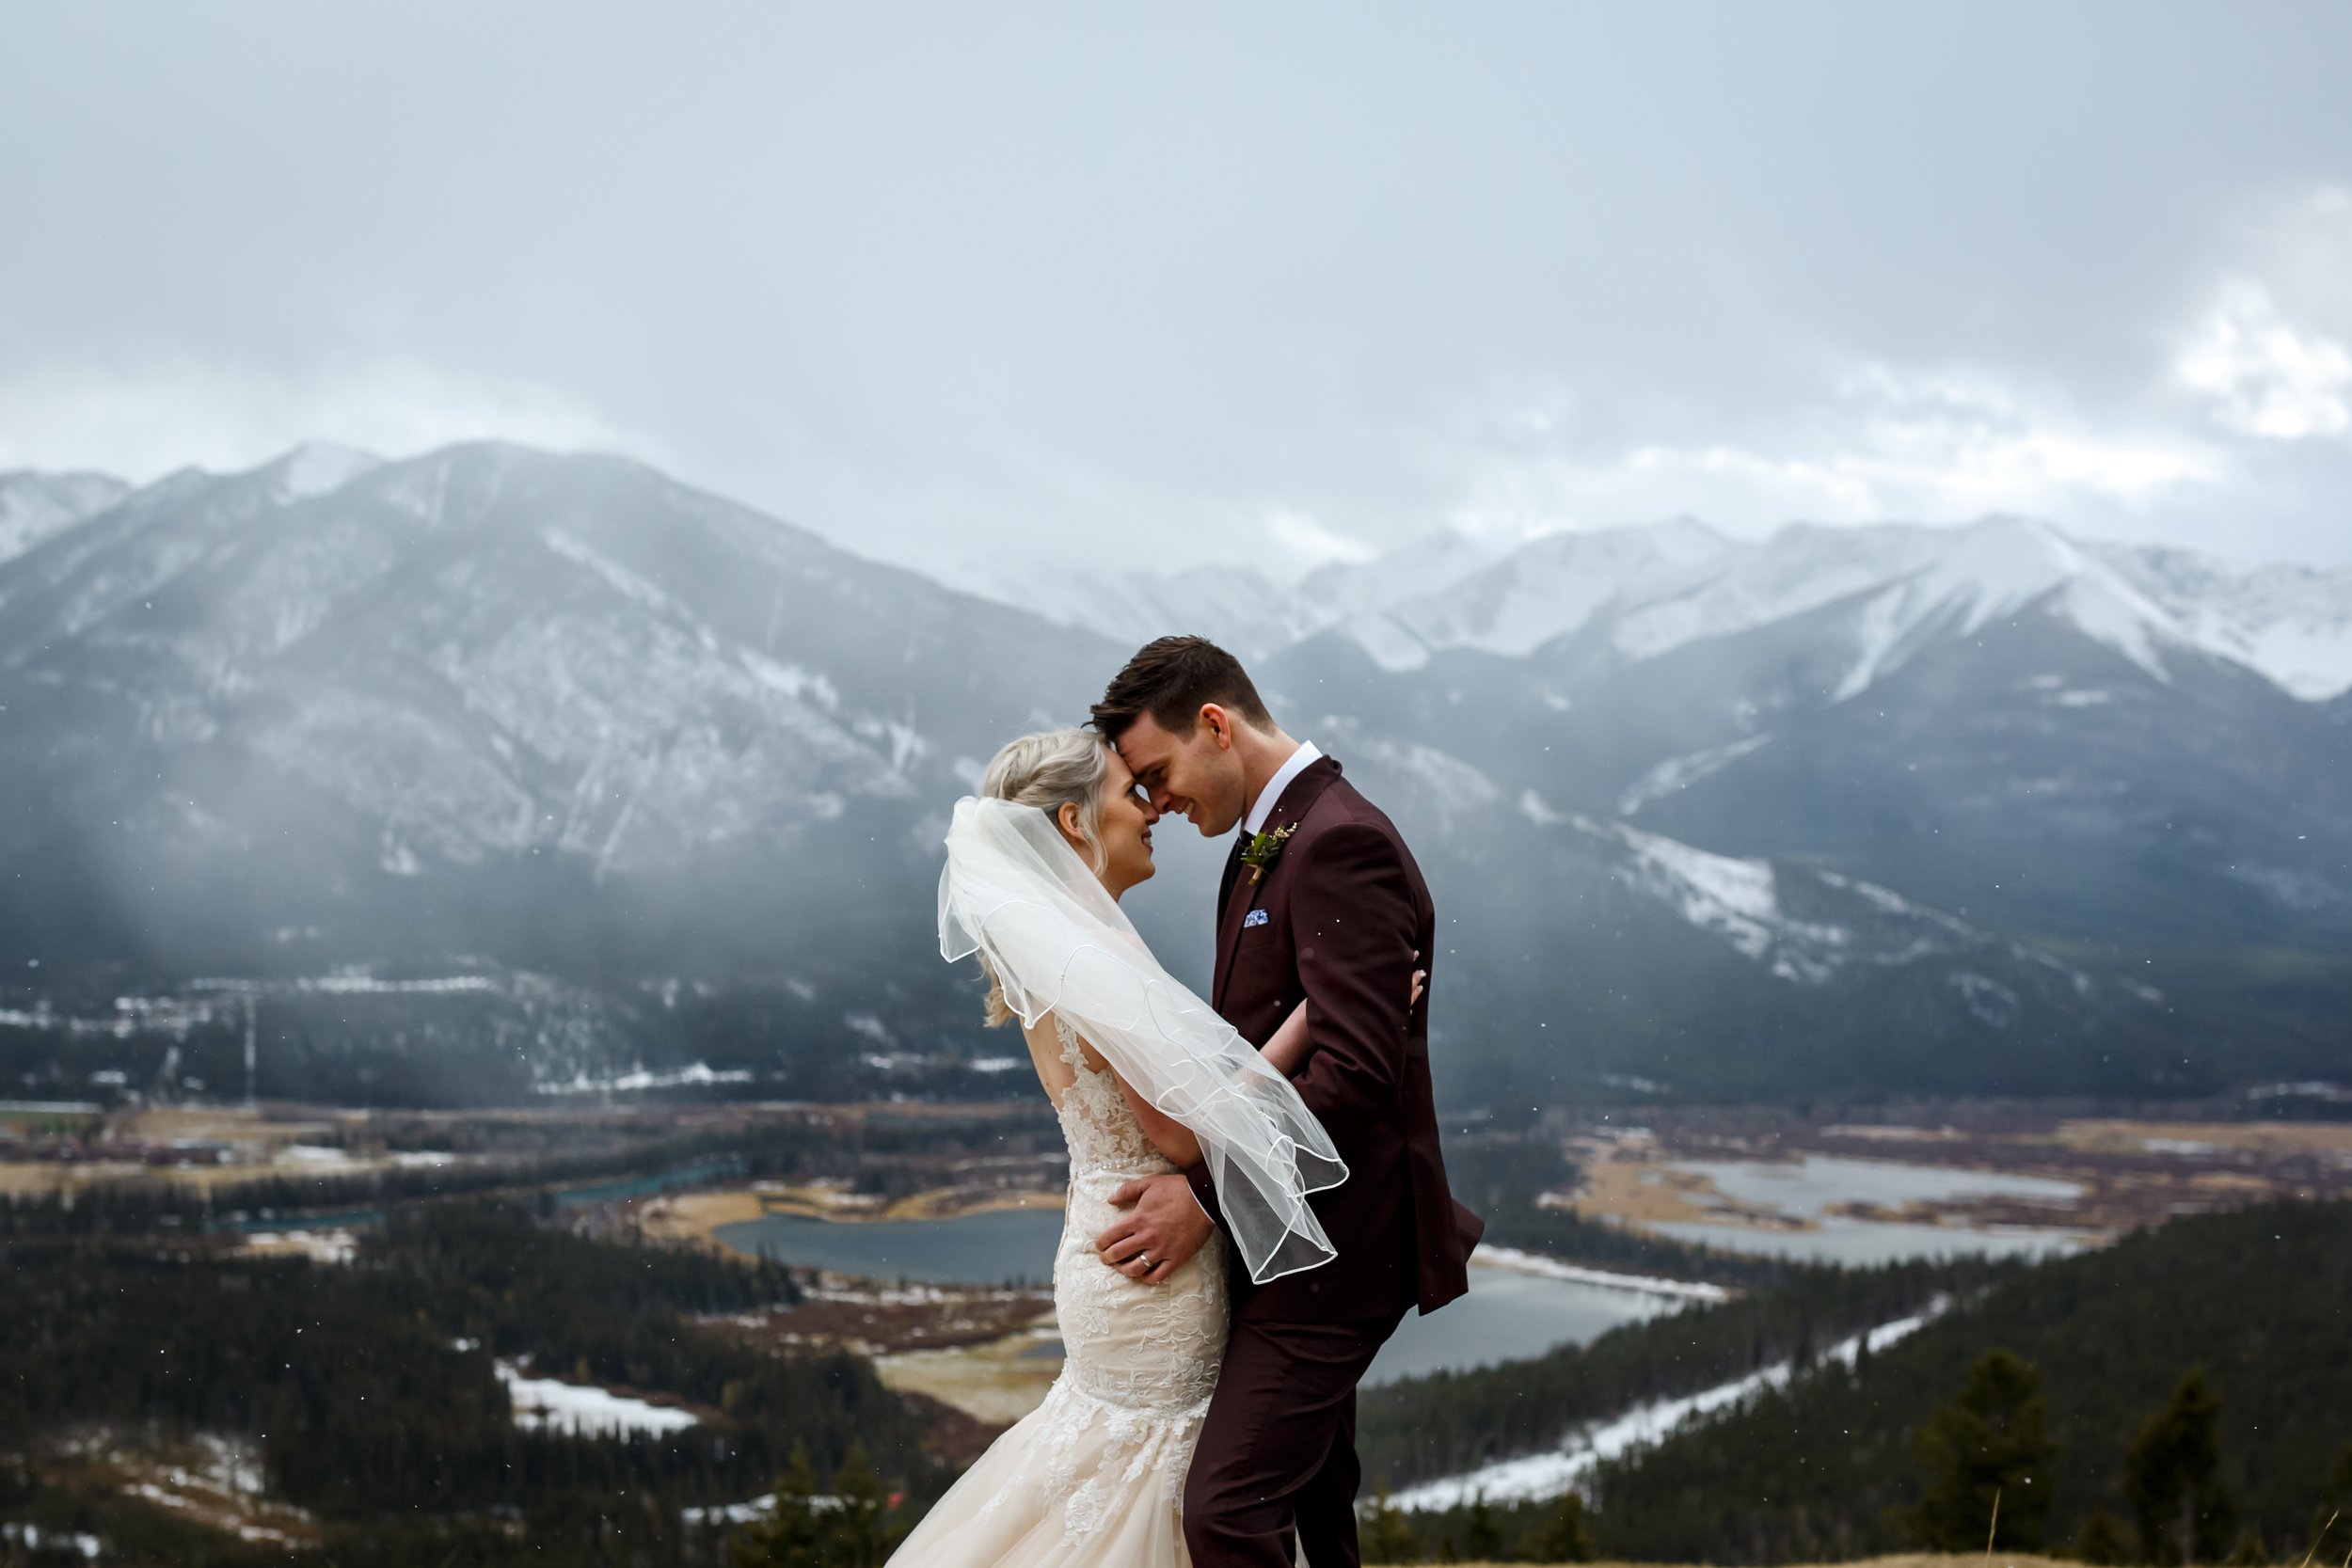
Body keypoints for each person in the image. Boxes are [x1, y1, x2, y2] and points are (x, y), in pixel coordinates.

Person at [897, 725, 1422, 1568]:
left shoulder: (1054, 949)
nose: (1152, 811)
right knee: (1165, 1500)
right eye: (1128, 793)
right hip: (1151, 1262)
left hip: (1118, 1245)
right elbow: (1180, 1131)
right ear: (1074, 822)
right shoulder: (1087, 951)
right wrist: (1320, 1017)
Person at [1089, 636, 1483, 1568]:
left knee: (1226, 1511)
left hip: (1338, 1249)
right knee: (1312, 1506)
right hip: (1296, 1237)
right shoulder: (1275, 840)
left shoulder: (1339, 840)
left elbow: (1354, 1077)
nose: (1154, 801)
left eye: (1157, 771)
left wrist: (1206, 1196)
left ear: (1216, 725)